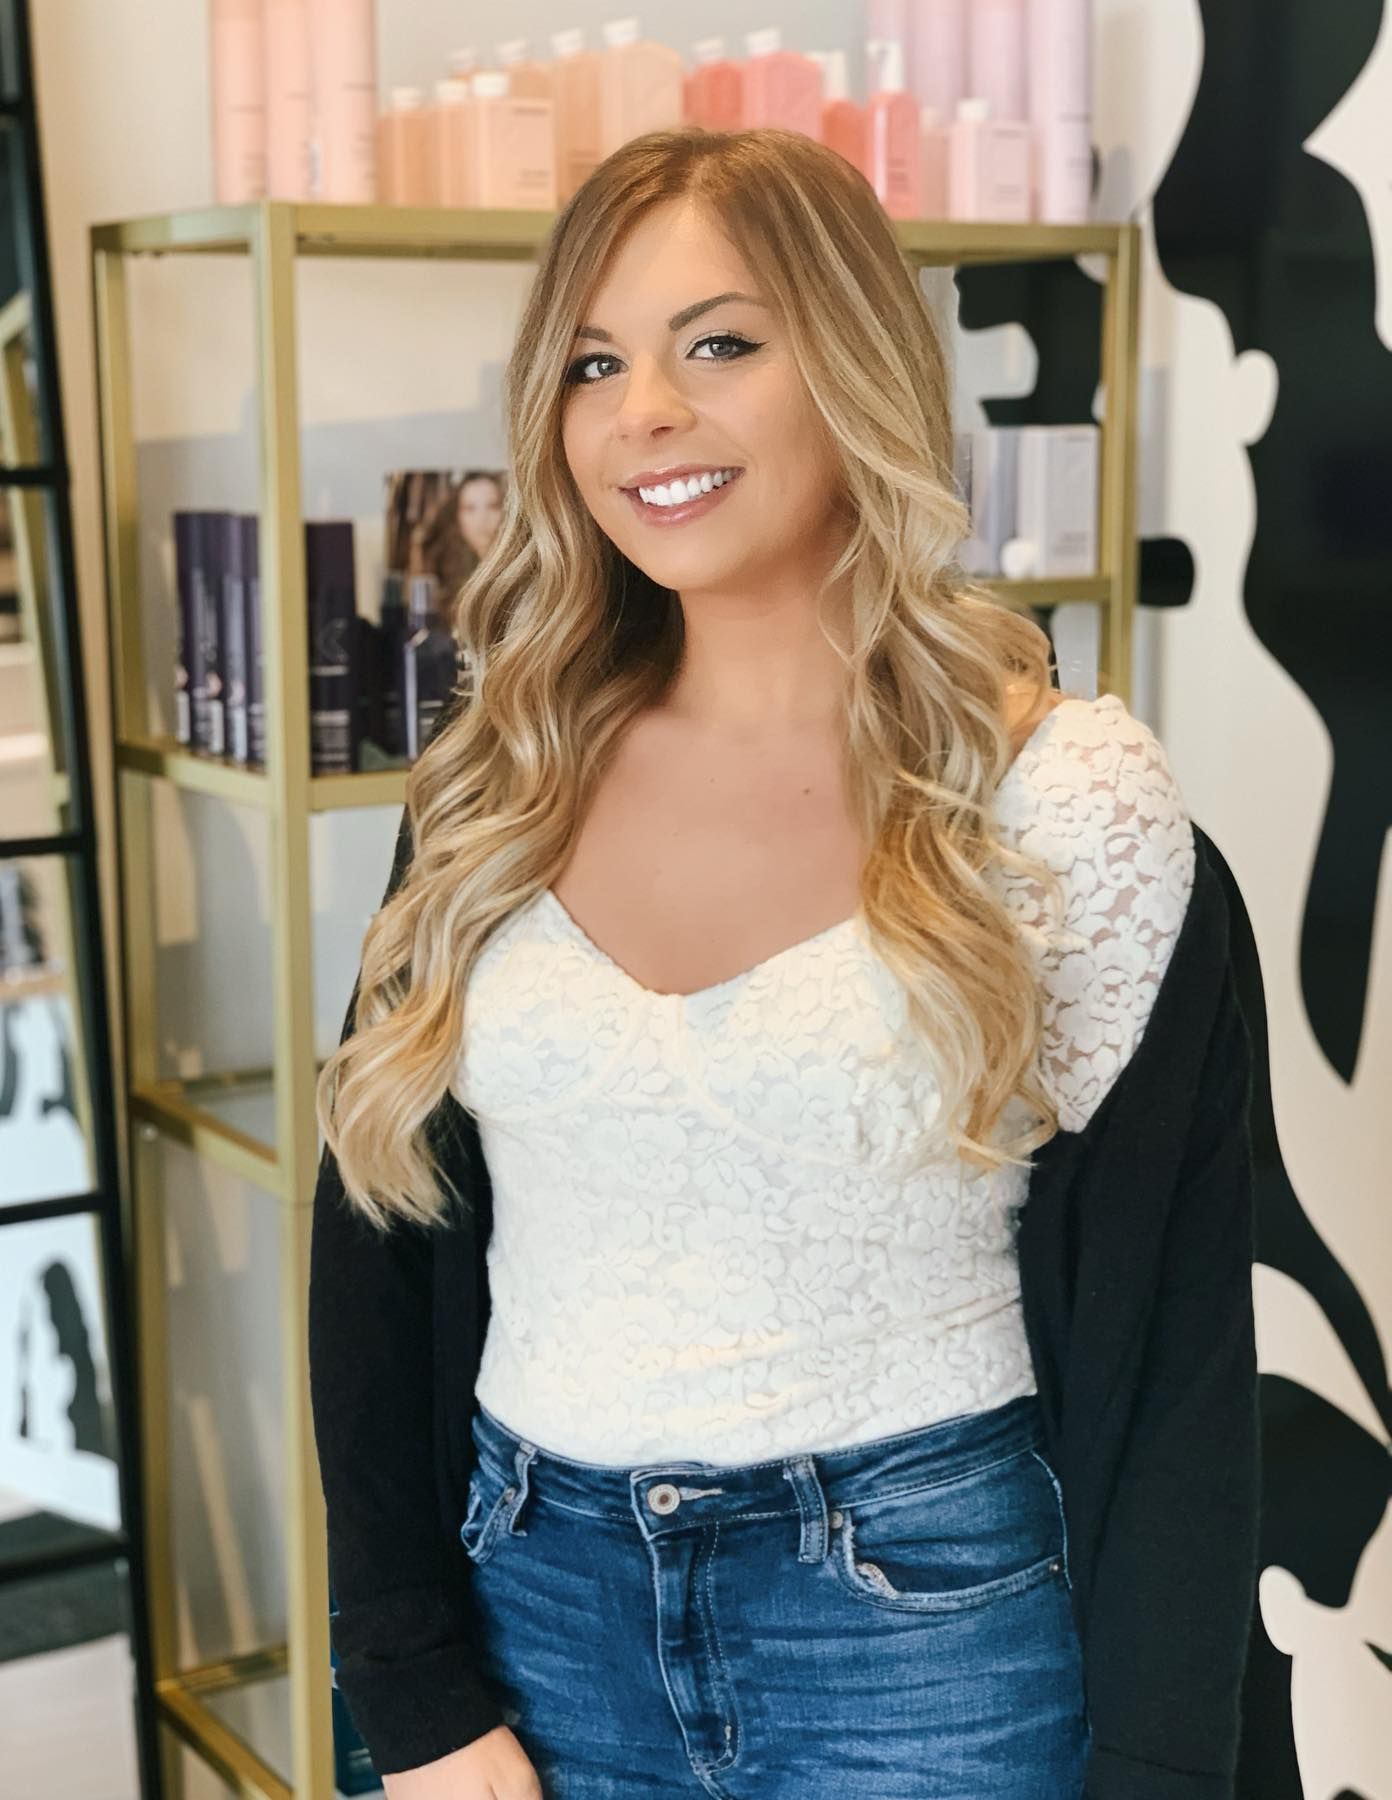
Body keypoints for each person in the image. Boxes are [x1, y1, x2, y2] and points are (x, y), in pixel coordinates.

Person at [308, 127, 1259, 1799]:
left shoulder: (1061, 795)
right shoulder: (495, 781)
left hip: (926, 1643)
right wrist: (411, 1687)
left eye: (720, 344)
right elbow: (374, 1256)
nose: (643, 413)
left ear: (858, 363)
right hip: (527, 1609)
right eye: (593, 361)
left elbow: (1177, 1338)